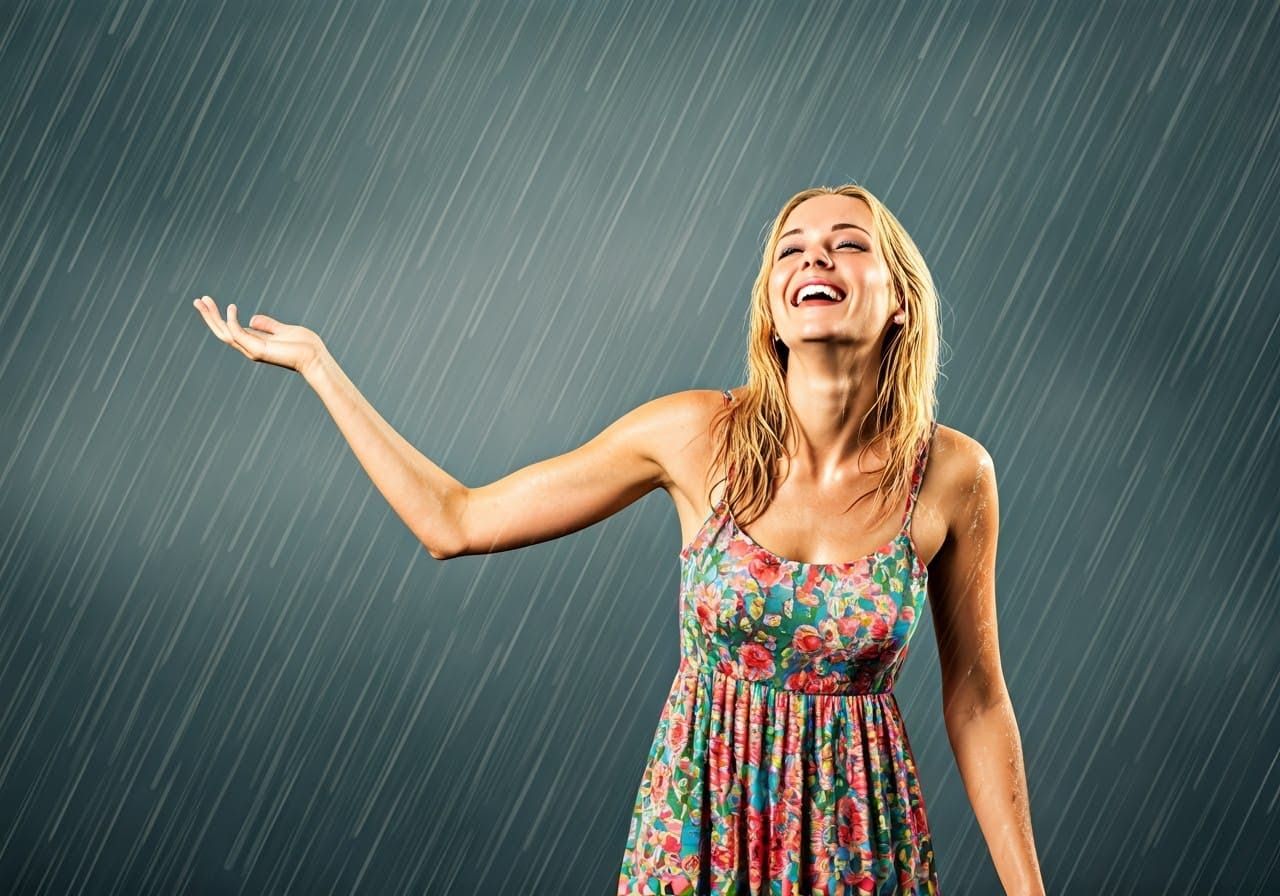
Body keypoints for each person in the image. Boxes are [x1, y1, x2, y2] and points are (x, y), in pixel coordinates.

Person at [193, 183, 1045, 895]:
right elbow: (454, 521)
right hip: (700, 834)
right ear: (773, 312)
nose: (814, 258)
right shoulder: (692, 436)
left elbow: (977, 700)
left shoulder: (955, 475)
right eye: (791, 249)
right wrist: (318, 366)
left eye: (847, 243)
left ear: (899, 300)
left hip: (863, 848)